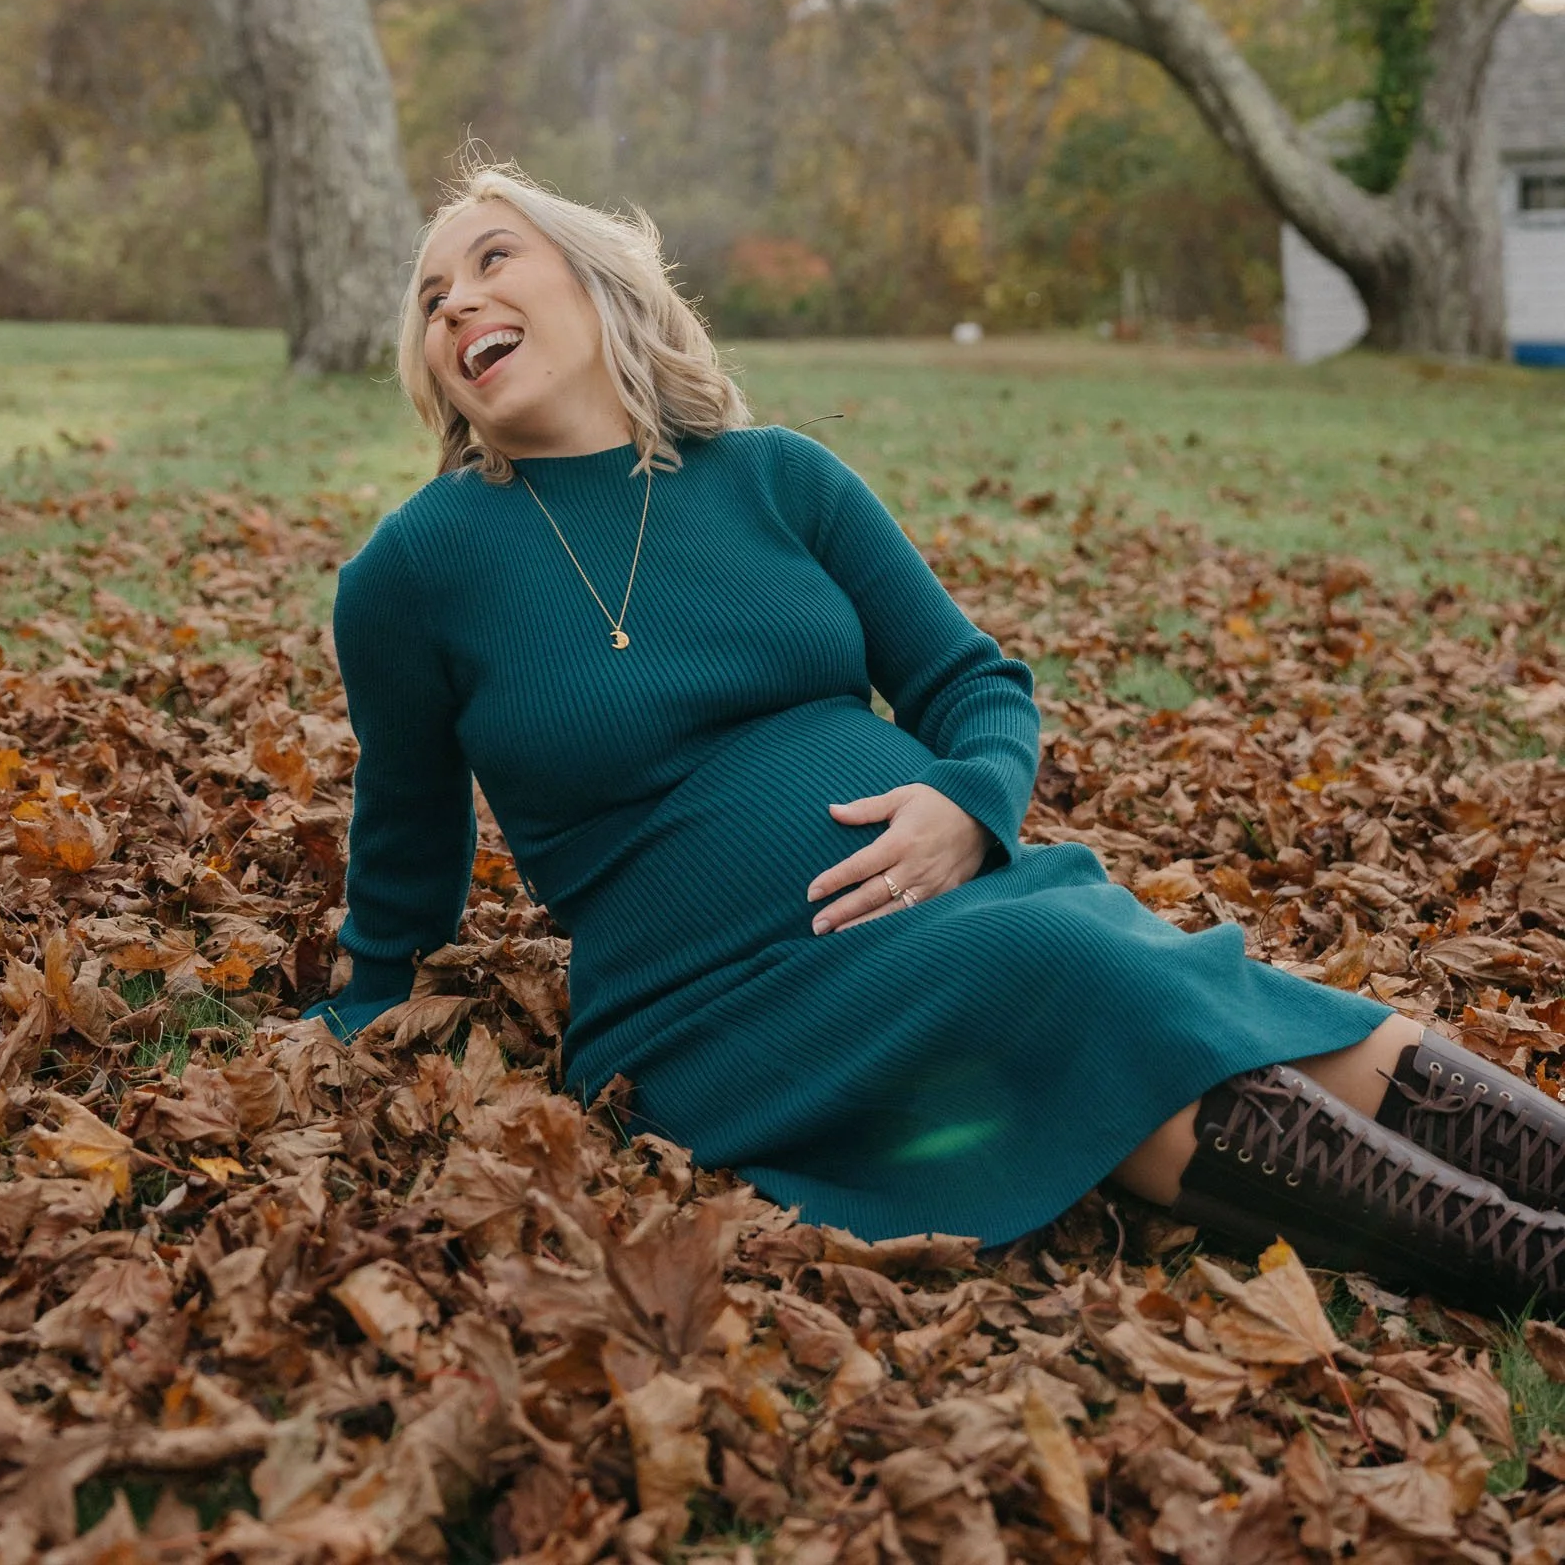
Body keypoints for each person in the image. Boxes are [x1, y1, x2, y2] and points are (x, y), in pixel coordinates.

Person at [308, 166, 1565, 1313]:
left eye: (491, 259)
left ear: (597, 283)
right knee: (1071, 973)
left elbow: (973, 682)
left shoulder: (775, 479)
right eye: (429, 298)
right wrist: (363, 1016)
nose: (454, 302)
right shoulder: (413, 573)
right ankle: (1534, 1264)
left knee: (1183, 980)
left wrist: (969, 803)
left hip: (959, 895)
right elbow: (405, 835)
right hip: (716, 993)